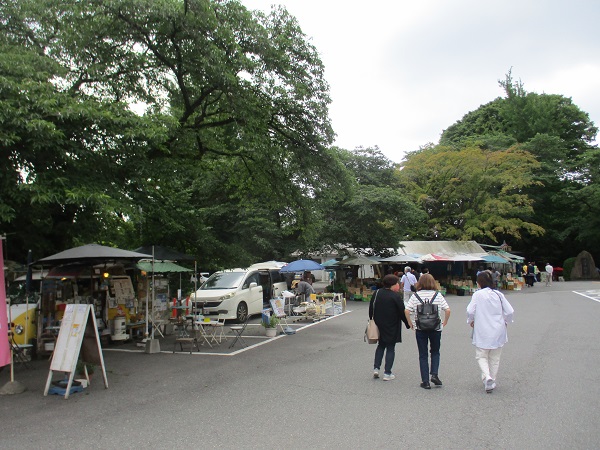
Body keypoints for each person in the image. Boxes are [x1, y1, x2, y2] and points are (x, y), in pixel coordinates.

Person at [466, 270, 514, 393]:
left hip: (482, 329)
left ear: (479, 283)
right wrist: (506, 322)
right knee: (495, 357)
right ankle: (492, 379)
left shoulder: (477, 294)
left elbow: (470, 310)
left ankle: (487, 377)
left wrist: (470, 320)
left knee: (481, 355)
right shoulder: (498, 294)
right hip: (498, 329)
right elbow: (510, 311)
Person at [404, 273, 451, 389]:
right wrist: (445, 322)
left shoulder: (416, 296)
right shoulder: (438, 295)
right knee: (435, 351)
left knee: (423, 354)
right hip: (436, 327)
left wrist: (410, 323)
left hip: (420, 328)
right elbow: (448, 310)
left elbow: (407, 310)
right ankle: (434, 374)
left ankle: (425, 381)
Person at [369, 274, 410, 381]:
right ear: (393, 285)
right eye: (397, 283)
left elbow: (371, 308)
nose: (399, 285)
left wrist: (371, 319)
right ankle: (387, 373)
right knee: (390, 348)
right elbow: (402, 312)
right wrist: (408, 324)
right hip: (392, 325)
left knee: (381, 346)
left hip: (378, 324)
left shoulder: (377, 293)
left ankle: (376, 368)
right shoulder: (395, 296)